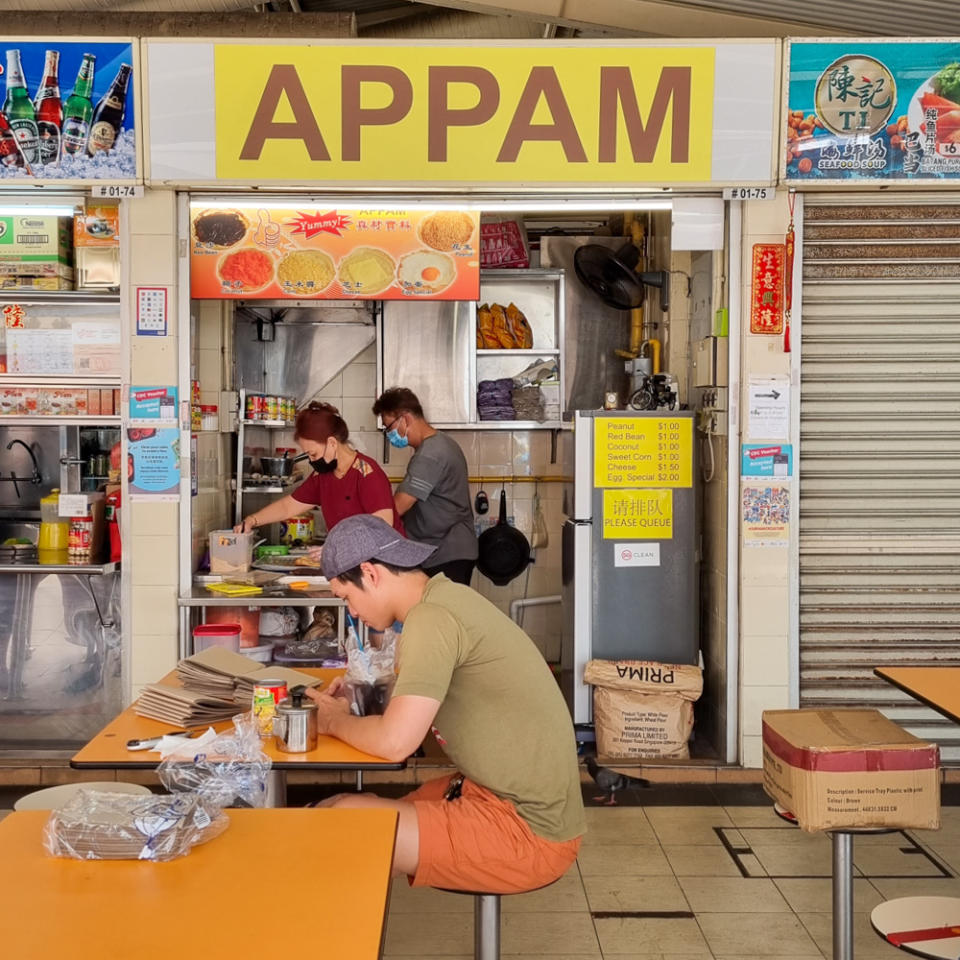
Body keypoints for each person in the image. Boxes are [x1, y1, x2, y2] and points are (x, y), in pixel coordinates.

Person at [304, 514, 585, 894]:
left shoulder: (431, 619)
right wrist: (353, 702)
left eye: (347, 598)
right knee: (342, 807)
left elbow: (395, 743)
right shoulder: (445, 597)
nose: (352, 613)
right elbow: (409, 709)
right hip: (494, 792)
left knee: (344, 825)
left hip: (528, 828)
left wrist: (332, 722)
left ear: (370, 574)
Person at [235, 402, 403, 536]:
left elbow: (383, 524)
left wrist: (340, 546)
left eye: (313, 454)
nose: (311, 460)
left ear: (331, 443)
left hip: (385, 565)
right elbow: (289, 506)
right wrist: (252, 520)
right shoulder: (322, 476)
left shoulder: (367, 473)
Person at [372, 387, 478, 585]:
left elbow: (399, 506)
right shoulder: (441, 443)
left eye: (389, 427)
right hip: (443, 550)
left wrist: (364, 531)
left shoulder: (430, 454)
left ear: (405, 418)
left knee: (442, 615)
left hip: (447, 554)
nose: (389, 435)